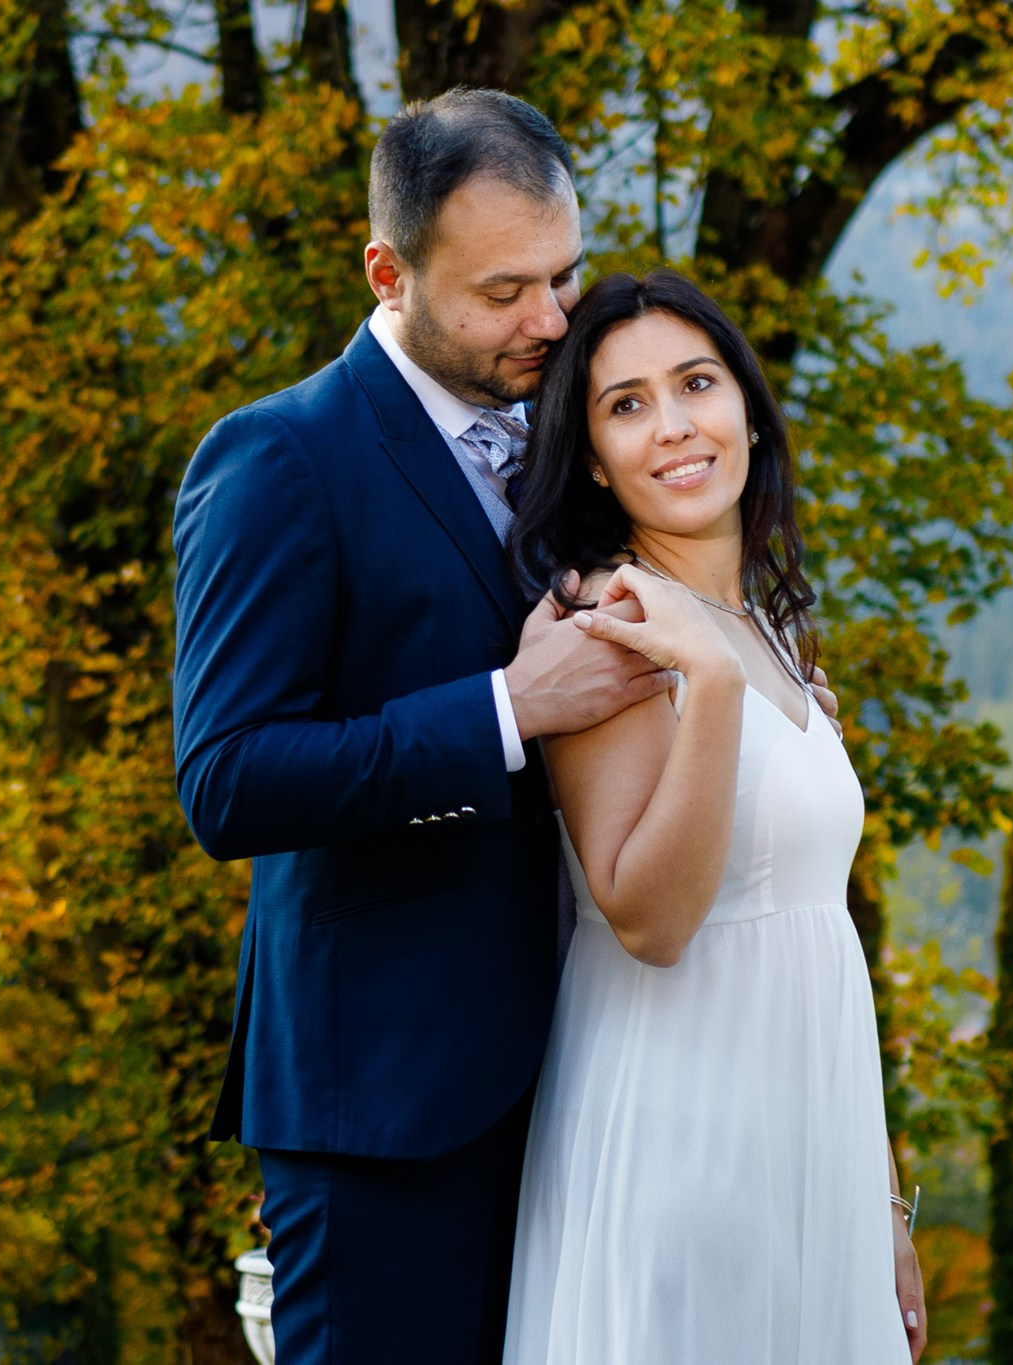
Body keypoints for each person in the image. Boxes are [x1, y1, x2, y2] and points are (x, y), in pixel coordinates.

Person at [172, 90, 696, 1361]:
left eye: (565, 275)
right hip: (385, 1113)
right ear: (386, 272)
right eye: (503, 291)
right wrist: (508, 710)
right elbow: (230, 780)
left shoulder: (579, 440)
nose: (551, 321)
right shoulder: (279, 461)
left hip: (594, 1089)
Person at [499, 268, 927, 1362]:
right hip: (683, 1149)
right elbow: (647, 918)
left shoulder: (771, 626)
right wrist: (715, 696)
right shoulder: (611, 623)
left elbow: (818, 933)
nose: (675, 427)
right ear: (592, 457)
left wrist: (877, 1202)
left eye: (696, 383)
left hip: (813, 1157)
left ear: (745, 405)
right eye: (626, 404)